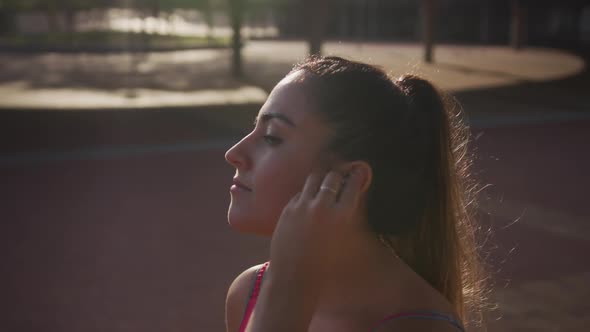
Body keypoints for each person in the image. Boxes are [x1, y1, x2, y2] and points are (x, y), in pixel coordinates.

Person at [224, 56, 486, 332]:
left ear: (348, 179)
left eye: (271, 137)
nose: (234, 154)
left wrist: (286, 291)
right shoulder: (248, 292)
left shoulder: (417, 325)